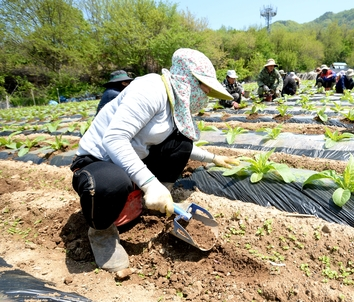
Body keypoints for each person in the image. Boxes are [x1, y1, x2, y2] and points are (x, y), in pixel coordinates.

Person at [70, 48, 240, 273]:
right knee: (112, 183)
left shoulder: (174, 104)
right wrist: (150, 183)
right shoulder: (152, 89)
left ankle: (156, 202)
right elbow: (114, 139)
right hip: (98, 161)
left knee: (182, 142)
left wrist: (214, 158)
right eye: (204, 86)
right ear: (186, 80)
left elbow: (179, 147)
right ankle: (102, 234)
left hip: (131, 159)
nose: (206, 94)